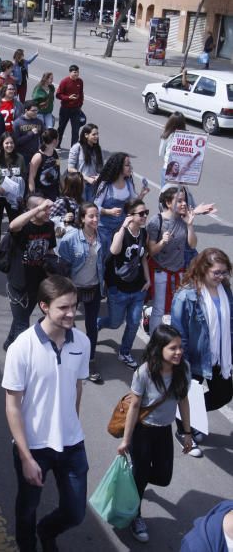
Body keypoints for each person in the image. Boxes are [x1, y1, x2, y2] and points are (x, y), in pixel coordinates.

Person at [2, 275, 90, 552]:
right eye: (63, 307)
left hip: (72, 444)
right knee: (28, 508)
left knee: (76, 512)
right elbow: (12, 405)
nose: (71, 313)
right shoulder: (22, 347)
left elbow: (77, 387)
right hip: (34, 447)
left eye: (74, 306)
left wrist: (71, 422)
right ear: (44, 306)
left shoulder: (82, 343)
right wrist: (26, 456)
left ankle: (47, 530)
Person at [117, 325, 193, 544]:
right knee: (141, 478)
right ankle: (135, 516)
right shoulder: (144, 372)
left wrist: (187, 432)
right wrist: (126, 440)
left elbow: (183, 401)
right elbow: (134, 407)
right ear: (159, 349)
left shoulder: (183, 369)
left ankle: (134, 477)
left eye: (180, 347)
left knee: (163, 476)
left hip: (163, 431)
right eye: (173, 348)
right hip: (142, 431)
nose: (178, 352)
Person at [171, 248, 233, 454]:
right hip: (193, 358)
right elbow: (178, 333)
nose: (221, 276)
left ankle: (187, 416)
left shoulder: (225, 291)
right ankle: (184, 432)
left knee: (223, 394)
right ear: (203, 269)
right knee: (188, 396)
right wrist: (181, 362)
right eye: (217, 272)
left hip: (219, 356)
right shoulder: (186, 295)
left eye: (224, 272)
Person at [98, 198, 151, 369]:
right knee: (115, 323)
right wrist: (122, 226)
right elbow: (114, 251)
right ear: (130, 216)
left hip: (138, 289)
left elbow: (143, 257)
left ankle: (125, 352)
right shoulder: (121, 233)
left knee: (134, 322)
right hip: (119, 289)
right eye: (141, 214)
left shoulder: (143, 233)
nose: (144, 216)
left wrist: (148, 279)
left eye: (146, 213)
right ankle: (98, 324)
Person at [59, 203, 105, 382]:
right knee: (69, 324)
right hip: (74, 289)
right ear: (82, 218)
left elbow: (104, 262)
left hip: (93, 287)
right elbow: (62, 265)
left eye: (97, 216)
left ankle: (90, 359)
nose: (95, 220)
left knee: (92, 326)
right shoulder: (70, 239)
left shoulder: (102, 237)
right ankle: (71, 355)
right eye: (91, 216)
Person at [2, 194, 56, 351]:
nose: (48, 212)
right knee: (23, 327)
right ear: (32, 210)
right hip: (18, 284)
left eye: (48, 209)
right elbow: (12, 226)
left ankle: (9, 344)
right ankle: (21, 362)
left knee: (22, 317)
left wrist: (54, 271)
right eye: (44, 209)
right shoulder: (23, 227)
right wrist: (39, 207)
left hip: (37, 283)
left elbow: (50, 250)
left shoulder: (49, 226)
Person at [146, 186, 197, 334]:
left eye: (184, 201)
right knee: (159, 309)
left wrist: (190, 225)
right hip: (160, 271)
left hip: (179, 272)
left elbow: (193, 245)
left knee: (177, 308)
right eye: (179, 201)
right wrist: (163, 242)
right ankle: (154, 341)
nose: (184, 204)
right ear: (168, 203)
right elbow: (151, 250)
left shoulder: (184, 219)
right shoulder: (157, 221)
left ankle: (173, 339)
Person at [94, 152, 149, 257]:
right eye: (127, 165)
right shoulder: (106, 185)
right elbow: (95, 206)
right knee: (105, 256)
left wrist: (142, 194)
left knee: (119, 255)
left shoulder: (128, 183)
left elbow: (134, 202)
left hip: (121, 227)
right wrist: (108, 211)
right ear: (119, 167)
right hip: (105, 229)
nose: (130, 168)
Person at [0, 133, 26, 252]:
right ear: (2, 144)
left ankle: (12, 247)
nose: (9, 145)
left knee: (15, 223)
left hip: (14, 197)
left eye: (11, 143)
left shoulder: (20, 158)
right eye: (7, 143)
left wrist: (21, 193)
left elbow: (23, 175)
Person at [68, 123, 104, 202]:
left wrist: (99, 176)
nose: (97, 137)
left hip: (93, 185)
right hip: (80, 185)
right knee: (81, 209)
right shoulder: (77, 147)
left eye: (97, 134)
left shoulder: (98, 149)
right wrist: (86, 178)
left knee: (91, 208)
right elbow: (70, 168)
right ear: (86, 135)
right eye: (94, 134)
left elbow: (101, 168)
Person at [28, 128, 61, 202]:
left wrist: (62, 188)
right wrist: (32, 196)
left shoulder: (56, 153)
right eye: (58, 138)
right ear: (54, 141)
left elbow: (58, 170)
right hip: (41, 194)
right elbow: (31, 177)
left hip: (53, 192)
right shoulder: (38, 156)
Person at [56, 64, 84, 148]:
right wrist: (68, 97)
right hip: (65, 109)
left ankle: (74, 148)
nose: (76, 74)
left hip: (76, 110)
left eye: (78, 72)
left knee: (75, 130)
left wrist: (80, 104)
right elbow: (58, 95)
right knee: (61, 128)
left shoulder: (80, 81)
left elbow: (81, 93)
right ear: (70, 72)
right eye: (75, 72)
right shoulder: (64, 81)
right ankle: (57, 145)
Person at [159, 111, 187, 187]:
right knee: (178, 195)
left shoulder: (167, 135)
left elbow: (161, 153)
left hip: (167, 169)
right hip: (181, 171)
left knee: (165, 194)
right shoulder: (188, 137)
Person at [12, 101, 43, 168]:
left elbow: (43, 137)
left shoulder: (39, 122)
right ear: (26, 110)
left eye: (37, 110)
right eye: (33, 110)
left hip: (35, 154)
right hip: (22, 156)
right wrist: (30, 134)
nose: (36, 112)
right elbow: (16, 141)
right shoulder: (17, 123)